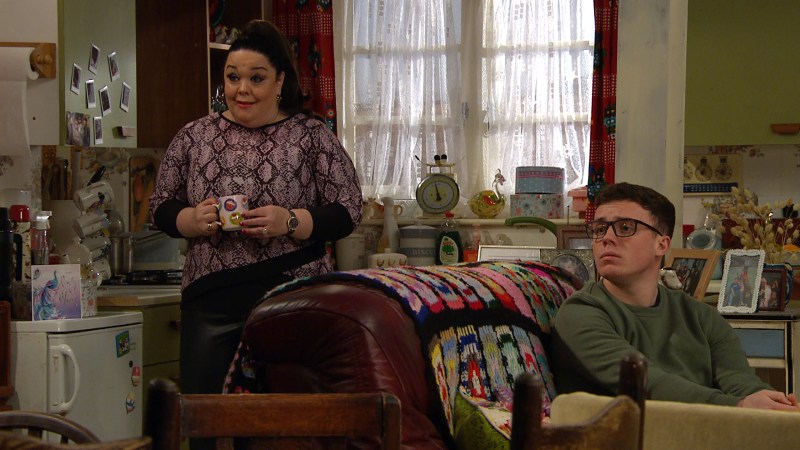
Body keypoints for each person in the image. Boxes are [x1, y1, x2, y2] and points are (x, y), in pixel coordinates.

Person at [148, 19, 363, 403]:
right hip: (210, 300)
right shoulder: (194, 136)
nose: (242, 89)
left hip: (292, 298)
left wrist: (290, 221)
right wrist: (191, 220)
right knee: (206, 416)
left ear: (280, 81)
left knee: (289, 417)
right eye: (233, 77)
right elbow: (160, 205)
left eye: (256, 78)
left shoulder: (312, 136)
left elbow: (349, 209)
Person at [551, 182, 798, 410]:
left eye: (625, 227)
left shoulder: (702, 317)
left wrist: (769, 402)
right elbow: (647, 384)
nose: (606, 238)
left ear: (662, 244)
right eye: (599, 228)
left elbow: (740, 381)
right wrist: (740, 406)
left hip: (707, 432)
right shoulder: (580, 313)